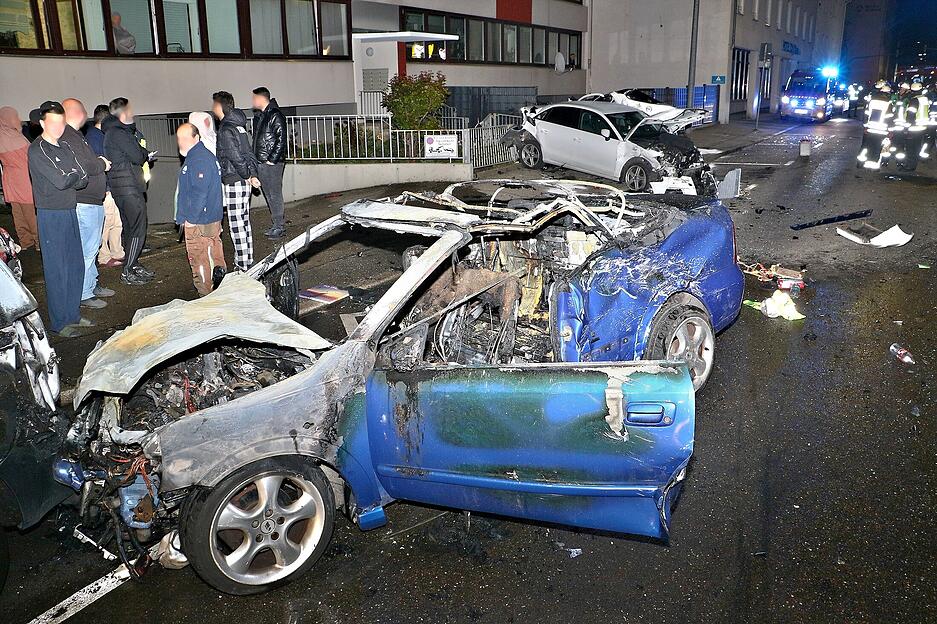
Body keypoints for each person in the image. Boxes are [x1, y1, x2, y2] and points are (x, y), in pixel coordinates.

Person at [27, 101, 92, 337]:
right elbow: (60, 180)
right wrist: (72, 175)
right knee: (57, 269)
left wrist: (72, 175)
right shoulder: (37, 150)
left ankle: (73, 314)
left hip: (69, 209)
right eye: (53, 122)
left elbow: (82, 177)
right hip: (51, 214)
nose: (57, 127)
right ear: (43, 123)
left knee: (75, 264)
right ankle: (59, 322)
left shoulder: (65, 146)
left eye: (61, 122)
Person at [62, 98, 115, 309]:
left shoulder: (76, 136)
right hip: (85, 202)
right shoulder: (69, 136)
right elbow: (85, 165)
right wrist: (101, 163)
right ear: (76, 112)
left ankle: (91, 285)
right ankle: (84, 293)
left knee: (92, 248)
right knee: (87, 249)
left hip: (91, 201)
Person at [104, 97, 155, 285]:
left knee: (129, 228)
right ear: (123, 112)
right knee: (137, 228)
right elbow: (137, 154)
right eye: (130, 110)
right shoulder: (118, 133)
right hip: (128, 187)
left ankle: (133, 264)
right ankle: (128, 270)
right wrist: (143, 153)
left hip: (124, 186)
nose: (133, 113)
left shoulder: (115, 132)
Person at [175, 123, 225, 296]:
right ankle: (217, 290)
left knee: (200, 258)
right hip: (209, 217)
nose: (181, 142)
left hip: (200, 220)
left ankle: (206, 295)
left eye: (185, 138)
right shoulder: (200, 156)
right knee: (213, 254)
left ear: (196, 138)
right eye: (179, 138)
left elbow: (199, 192)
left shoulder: (199, 159)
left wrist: (190, 220)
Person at [212, 90, 260, 272]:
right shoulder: (239, 126)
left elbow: (234, 156)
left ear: (219, 106)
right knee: (244, 220)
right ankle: (248, 260)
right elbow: (248, 153)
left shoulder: (226, 128)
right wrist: (252, 175)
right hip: (244, 180)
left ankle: (242, 266)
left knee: (236, 224)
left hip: (234, 180)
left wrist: (247, 175)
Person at [87, 104, 124, 267]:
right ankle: (104, 256)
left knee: (117, 222)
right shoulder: (94, 138)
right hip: (105, 188)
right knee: (106, 224)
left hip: (110, 187)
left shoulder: (98, 135)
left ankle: (117, 251)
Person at [0, 106, 39, 251]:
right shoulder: (16, 137)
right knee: (30, 212)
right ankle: (38, 242)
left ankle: (25, 241)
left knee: (18, 213)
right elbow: (30, 158)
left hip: (9, 179)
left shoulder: (1, 135)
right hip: (24, 178)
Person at [251, 87, 287, 239]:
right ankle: (276, 224)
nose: (252, 101)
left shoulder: (274, 114)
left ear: (261, 98)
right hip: (263, 162)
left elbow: (281, 138)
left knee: (274, 194)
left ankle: (279, 226)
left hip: (271, 163)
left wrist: (272, 160)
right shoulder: (262, 116)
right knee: (269, 195)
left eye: (254, 98)